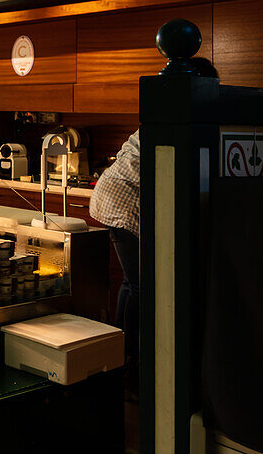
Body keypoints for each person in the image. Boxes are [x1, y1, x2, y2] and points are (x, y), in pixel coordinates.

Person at [90, 57, 218, 392]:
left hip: (117, 193)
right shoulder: (177, 117)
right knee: (140, 285)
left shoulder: (172, 114)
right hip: (122, 198)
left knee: (134, 284)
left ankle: (121, 351)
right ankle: (128, 361)